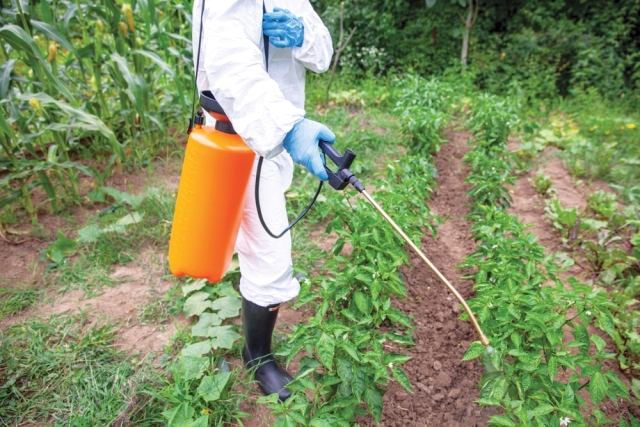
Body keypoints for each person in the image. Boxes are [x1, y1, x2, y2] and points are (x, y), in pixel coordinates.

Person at [192, 0, 334, 401]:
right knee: (271, 255)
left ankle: (255, 329)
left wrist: (305, 37)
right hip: (237, 135)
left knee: (258, 240)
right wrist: (286, 128)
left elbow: (322, 53)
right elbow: (227, 60)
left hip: (279, 135)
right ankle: (257, 357)